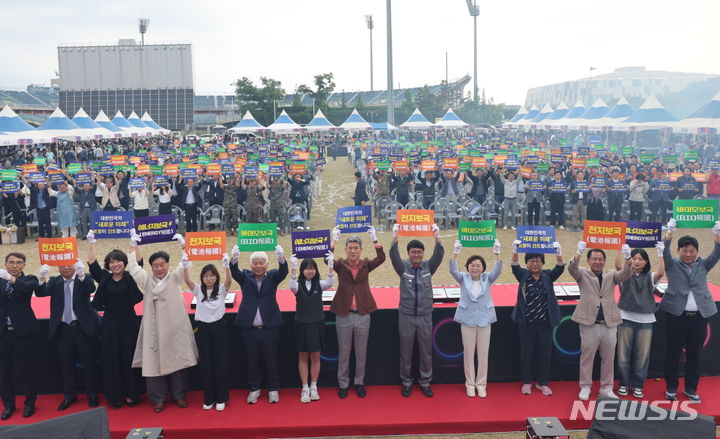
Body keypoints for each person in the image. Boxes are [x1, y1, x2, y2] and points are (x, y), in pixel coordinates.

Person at [127, 232, 198, 413]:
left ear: (168, 264)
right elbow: (134, 269)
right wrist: (134, 246)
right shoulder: (147, 281)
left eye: (162, 264)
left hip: (174, 328)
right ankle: (158, 398)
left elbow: (186, 262)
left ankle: (179, 395)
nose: (159, 268)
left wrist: (183, 245)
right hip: (154, 329)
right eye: (156, 265)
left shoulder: (175, 278)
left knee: (178, 362)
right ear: (151, 267)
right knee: (153, 364)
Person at [659, 219, 720, 403]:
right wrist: (669, 233)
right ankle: (671, 387)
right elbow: (665, 251)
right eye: (684, 250)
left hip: (699, 317)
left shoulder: (703, 265)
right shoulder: (672, 264)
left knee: (695, 354)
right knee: (673, 352)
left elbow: (717, 253)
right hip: (677, 316)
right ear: (679, 251)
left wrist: (717, 235)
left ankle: (691, 389)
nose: (688, 253)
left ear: (697, 252)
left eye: (692, 250)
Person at [86, 231, 143, 409]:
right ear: (108, 265)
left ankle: (132, 394)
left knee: (129, 357)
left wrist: (134, 245)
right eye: (112, 261)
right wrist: (92, 242)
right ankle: (114, 396)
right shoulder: (103, 277)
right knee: (112, 359)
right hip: (109, 323)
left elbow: (139, 263)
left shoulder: (130, 276)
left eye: (118, 260)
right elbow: (92, 264)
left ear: (124, 263)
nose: (116, 264)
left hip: (129, 322)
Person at [568, 242, 632, 401]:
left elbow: (626, 273)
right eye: (594, 259)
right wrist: (578, 252)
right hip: (589, 323)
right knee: (587, 357)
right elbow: (571, 268)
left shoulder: (611, 275)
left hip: (609, 323)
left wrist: (627, 258)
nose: (598, 261)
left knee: (609, 358)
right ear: (588, 261)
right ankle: (585, 387)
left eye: (601, 259)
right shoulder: (582, 274)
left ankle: (606, 388)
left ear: (604, 261)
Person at [36, 259, 101, 410]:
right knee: (67, 364)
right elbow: (40, 293)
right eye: (62, 266)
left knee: (89, 363)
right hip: (63, 329)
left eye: (69, 265)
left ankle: (92, 394)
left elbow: (90, 288)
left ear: (74, 265)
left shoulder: (84, 278)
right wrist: (41, 278)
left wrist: (81, 274)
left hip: (82, 328)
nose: (65, 268)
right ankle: (69, 395)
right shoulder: (54, 281)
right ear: (58, 267)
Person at [328, 226, 385, 399]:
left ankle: (359, 382)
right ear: (346, 250)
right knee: (344, 352)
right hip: (344, 313)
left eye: (356, 248)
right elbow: (327, 259)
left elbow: (381, 258)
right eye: (350, 248)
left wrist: (374, 239)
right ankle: (343, 384)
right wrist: (334, 240)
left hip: (362, 313)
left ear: (360, 250)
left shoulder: (366, 264)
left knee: (361, 351)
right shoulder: (339, 264)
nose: (353, 251)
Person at [389, 223, 444, 398]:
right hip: (406, 315)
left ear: (423, 254)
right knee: (406, 351)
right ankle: (406, 382)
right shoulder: (402, 267)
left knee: (426, 352)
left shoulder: (429, 267)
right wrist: (395, 238)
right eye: (413, 252)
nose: (417, 254)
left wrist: (437, 237)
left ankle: (425, 382)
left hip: (425, 316)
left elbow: (439, 255)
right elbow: (393, 256)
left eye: (419, 252)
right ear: (409, 253)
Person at [230, 244, 288, 404]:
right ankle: (255, 389)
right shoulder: (245, 277)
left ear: (267, 265)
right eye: (255, 263)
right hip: (249, 329)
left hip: (270, 328)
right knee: (252, 359)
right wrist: (234, 259)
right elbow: (234, 272)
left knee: (271, 359)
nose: (258, 266)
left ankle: (273, 388)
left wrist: (281, 259)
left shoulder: (273, 277)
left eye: (261, 262)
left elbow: (283, 272)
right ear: (250, 265)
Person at [510, 240, 564, 396]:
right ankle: (526, 381)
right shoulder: (524, 276)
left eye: (538, 261)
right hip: (527, 323)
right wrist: (515, 250)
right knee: (526, 353)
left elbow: (560, 268)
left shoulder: (547, 276)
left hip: (546, 323)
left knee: (544, 354)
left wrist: (558, 253)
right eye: (532, 261)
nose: (535, 264)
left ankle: (542, 383)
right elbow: (514, 266)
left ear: (542, 263)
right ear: (527, 263)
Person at [450, 239, 502, 398]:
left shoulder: (488, 278)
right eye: (472, 265)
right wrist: (455, 253)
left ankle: (481, 384)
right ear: (468, 267)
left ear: (483, 268)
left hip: (485, 319)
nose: (475, 268)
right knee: (468, 353)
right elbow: (453, 270)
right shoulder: (463, 278)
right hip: (467, 320)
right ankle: (470, 384)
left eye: (478, 265)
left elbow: (498, 271)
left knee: (483, 353)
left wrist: (497, 253)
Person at [614, 245, 665, 399]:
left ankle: (637, 384)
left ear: (646, 262)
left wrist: (660, 253)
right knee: (623, 353)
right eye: (634, 258)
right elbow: (617, 265)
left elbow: (661, 272)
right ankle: (623, 383)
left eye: (641, 259)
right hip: (625, 318)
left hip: (645, 320)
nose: (637, 261)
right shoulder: (625, 275)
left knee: (642, 355)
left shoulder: (649, 277)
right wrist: (620, 249)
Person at [183, 255, 232, 411]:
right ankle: (209, 398)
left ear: (216, 277)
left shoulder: (221, 290)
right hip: (203, 329)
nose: (209, 278)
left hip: (219, 328)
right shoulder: (198, 290)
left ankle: (221, 398)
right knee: (206, 364)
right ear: (202, 278)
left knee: (220, 363)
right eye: (206, 275)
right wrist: (185, 266)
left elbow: (229, 281)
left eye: (212, 275)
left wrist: (227, 266)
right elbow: (187, 281)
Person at [288, 255, 334, 403]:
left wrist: (331, 265)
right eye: (307, 268)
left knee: (315, 357)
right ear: (302, 271)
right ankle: (305, 388)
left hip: (317, 324)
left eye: (312, 268)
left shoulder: (320, 285)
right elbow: (292, 285)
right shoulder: (297, 286)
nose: (310, 271)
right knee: (303, 357)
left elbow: (330, 282)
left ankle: (314, 386)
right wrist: (293, 268)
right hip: (301, 324)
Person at [0, 253, 39, 420]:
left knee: (27, 369)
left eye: (18, 263)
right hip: (3, 332)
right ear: (5, 264)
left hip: (23, 333)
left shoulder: (29, 279)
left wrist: (10, 278)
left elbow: (26, 290)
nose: (14, 266)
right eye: (11, 262)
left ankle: (30, 403)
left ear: (23, 265)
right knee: (5, 371)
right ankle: (8, 404)